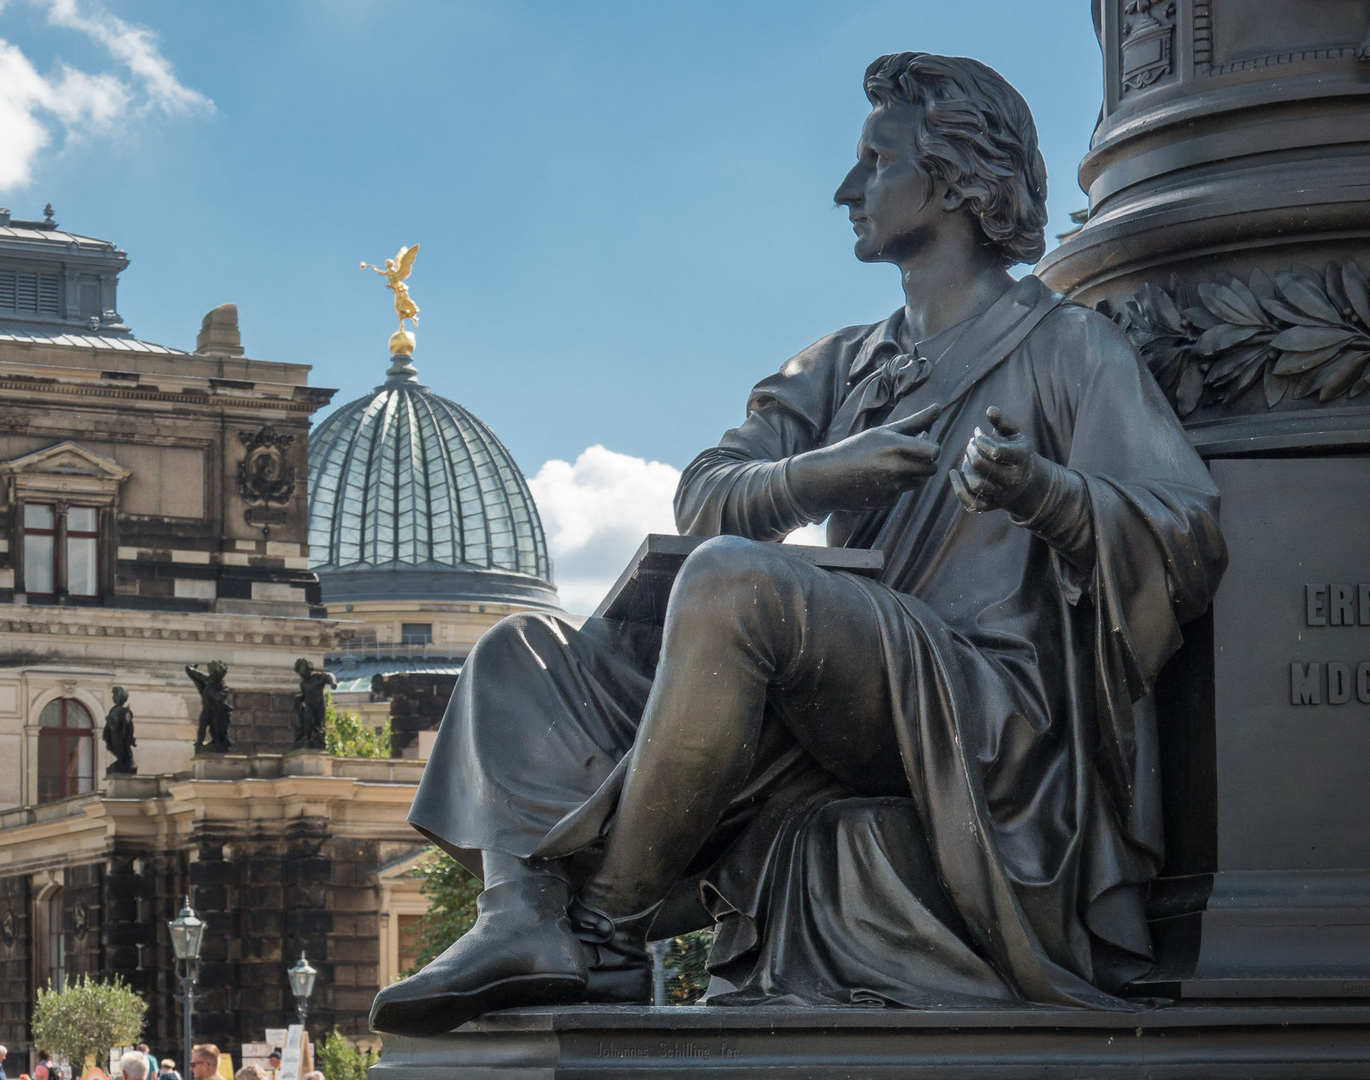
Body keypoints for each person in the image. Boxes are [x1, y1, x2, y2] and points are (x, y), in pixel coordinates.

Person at [369, 50, 1226, 1038]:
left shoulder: (1069, 348)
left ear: (951, 182)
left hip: (980, 704)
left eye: (875, 163)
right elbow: (705, 493)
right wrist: (821, 475)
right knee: (515, 647)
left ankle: (604, 928)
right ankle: (523, 917)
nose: (846, 190)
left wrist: (1047, 493)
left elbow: (1184, 528)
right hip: (830, 682)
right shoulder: (841, 362)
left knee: (736, 584)